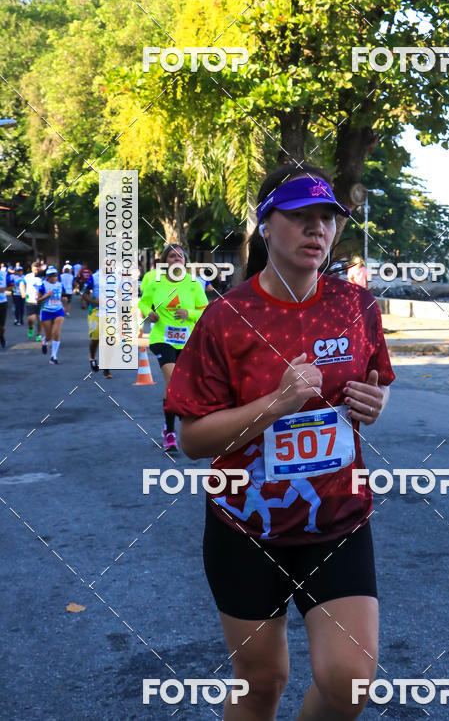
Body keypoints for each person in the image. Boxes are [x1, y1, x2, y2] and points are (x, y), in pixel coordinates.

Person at [166, 163, 395, 721]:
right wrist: (277, 404)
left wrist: (375, 403)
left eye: (327, 219)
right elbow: (191, 439)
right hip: (247, 526)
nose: (317, 230)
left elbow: (373, 387)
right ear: (266, 226)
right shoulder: (226, 317)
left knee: (350, 682)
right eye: (300, 218)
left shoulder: (356, 305)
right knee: (262, 682)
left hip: (336, 519)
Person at [139, 244, 208, 452]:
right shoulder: (154, 281)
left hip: (186, 340)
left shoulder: (193, 283)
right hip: (162, 338)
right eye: (172, 256)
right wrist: (148, 314)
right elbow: (143, 303)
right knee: (172, 380)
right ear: (164, 261)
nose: (176, 259)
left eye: (180, 256)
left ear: (185, 261)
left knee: (181, 385)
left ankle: (169, 426)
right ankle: (170, 433)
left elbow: (204, 310)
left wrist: (189, 313)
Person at [82, 270, 112, 378]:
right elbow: (84, 293)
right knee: (96, 337)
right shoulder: (94, 277)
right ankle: (92, 357)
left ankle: (106, 368)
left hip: (111, 312)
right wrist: (95, 302)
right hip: (96, 311)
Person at [37, 266, 66, 364]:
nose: (54, 277)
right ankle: (45, 341)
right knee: (49, 335)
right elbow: (38, 301)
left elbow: (63, 297)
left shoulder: (60, 285)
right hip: (46, 311)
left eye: (55, 275)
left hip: (58, 310)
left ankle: (53, 356)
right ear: (48, 277)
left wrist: (64, 300)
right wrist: (47, 295)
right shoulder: (43, 285)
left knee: (56, 333)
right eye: (52, 276)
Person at [23, 263, 43, 341]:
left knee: (40, 319)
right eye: (35, 269)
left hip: (41, 301)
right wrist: (23, 292)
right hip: (30, 300)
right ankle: (31, 327)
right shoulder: (28, 276)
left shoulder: (43, 277)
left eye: (38, 269)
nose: (36, 271)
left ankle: (39, 334)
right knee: (31, 320)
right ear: (32, 269)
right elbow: (22, 284)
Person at [0, 261, 8, 348]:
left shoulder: (4, 274)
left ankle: (1, 336)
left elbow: (12, 285)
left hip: (2, 302)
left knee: (2, 327)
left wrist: (4, 289)